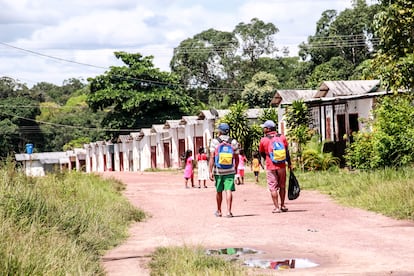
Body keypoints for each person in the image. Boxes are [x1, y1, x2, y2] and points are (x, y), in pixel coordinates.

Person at [259, 120, 292, 213]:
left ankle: (276, 207)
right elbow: (286, 151)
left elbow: (261, 152)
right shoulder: (282, 137)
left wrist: (267, 159)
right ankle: (283, 205)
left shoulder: (264, 140)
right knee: (282, 186)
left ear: (268, 129)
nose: (263, 129)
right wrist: (289, 163)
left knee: (273, 187)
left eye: (264, 127)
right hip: (282, 165)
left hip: (271, 166)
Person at [209, 123, 239, 218]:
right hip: (230, 170)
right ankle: (229, 211)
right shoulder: (233, 142)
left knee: (219, 191)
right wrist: (236, 169)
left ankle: (219, 211)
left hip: (218, 170)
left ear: (219, 131)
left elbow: (212, 157)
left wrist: (210, 171)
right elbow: (237, 157)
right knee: (228, 190)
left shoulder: (215, 142)